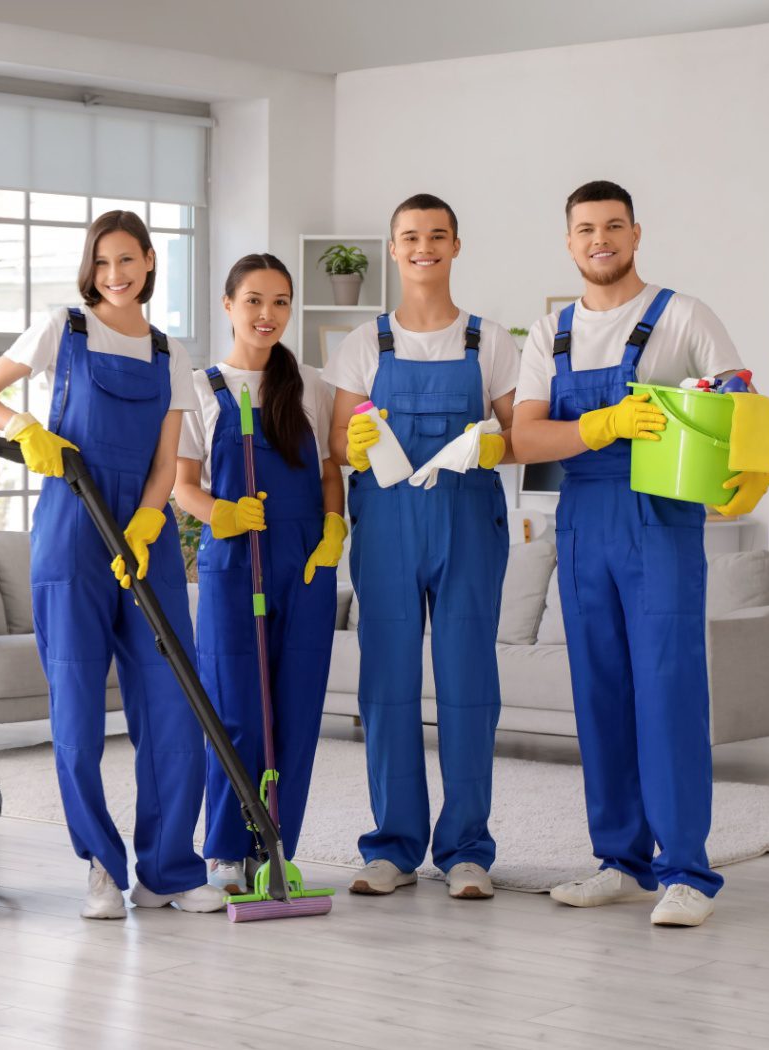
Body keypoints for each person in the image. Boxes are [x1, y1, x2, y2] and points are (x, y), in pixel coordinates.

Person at [511, 180, 769, 928]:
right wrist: (599, 427)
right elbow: (527, 438)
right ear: (569, 242)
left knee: (668, 690)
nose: (600, 239)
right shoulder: (548, 332)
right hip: (582, 519)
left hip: (661, 519)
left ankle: (686, 871)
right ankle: (619, 862)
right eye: (586, 229)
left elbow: (740, 403)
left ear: (636, 235)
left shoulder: (683, 315)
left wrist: (745, 476)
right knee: (600, 693)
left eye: (614, 227)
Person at [0, 211, 224, 919]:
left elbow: (169, 460)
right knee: (75, 708)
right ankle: (102, 869)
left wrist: (146, 519)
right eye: (103, 262)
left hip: (145, 535)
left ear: (147, 264)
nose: (115, 275)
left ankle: (169, 869)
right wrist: (23, 429)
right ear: (90, 266)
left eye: (127, 260)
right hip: (72, 527)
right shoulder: (63, 329)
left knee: (172, 702)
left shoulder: (171, 351)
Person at [325, 194, 518, 900]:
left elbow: (518, 432)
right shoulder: (361, 344)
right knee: (387, 685)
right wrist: (354, 442)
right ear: (394, 248)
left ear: (455, 246)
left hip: (468, 521)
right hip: (386, 523)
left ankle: (466, 849)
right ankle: (393, 848)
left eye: (437, 236)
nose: (423, 247)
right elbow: (338, 445)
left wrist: (495, 440)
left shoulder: (488, 340)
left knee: (469, 684)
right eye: (410, 237)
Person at [174, 253, 345, 894]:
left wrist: (335, 526)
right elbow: (182, 486)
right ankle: (223, 850)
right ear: (228, 305)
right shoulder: (199, 388)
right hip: (232, 562)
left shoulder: (314, 386)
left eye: (279, 302)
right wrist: (220, 513)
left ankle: (274, 848)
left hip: (304, 564)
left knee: (295, 712)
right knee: (236, 710)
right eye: (253, 300)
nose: (266, 314)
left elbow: (331, 469)